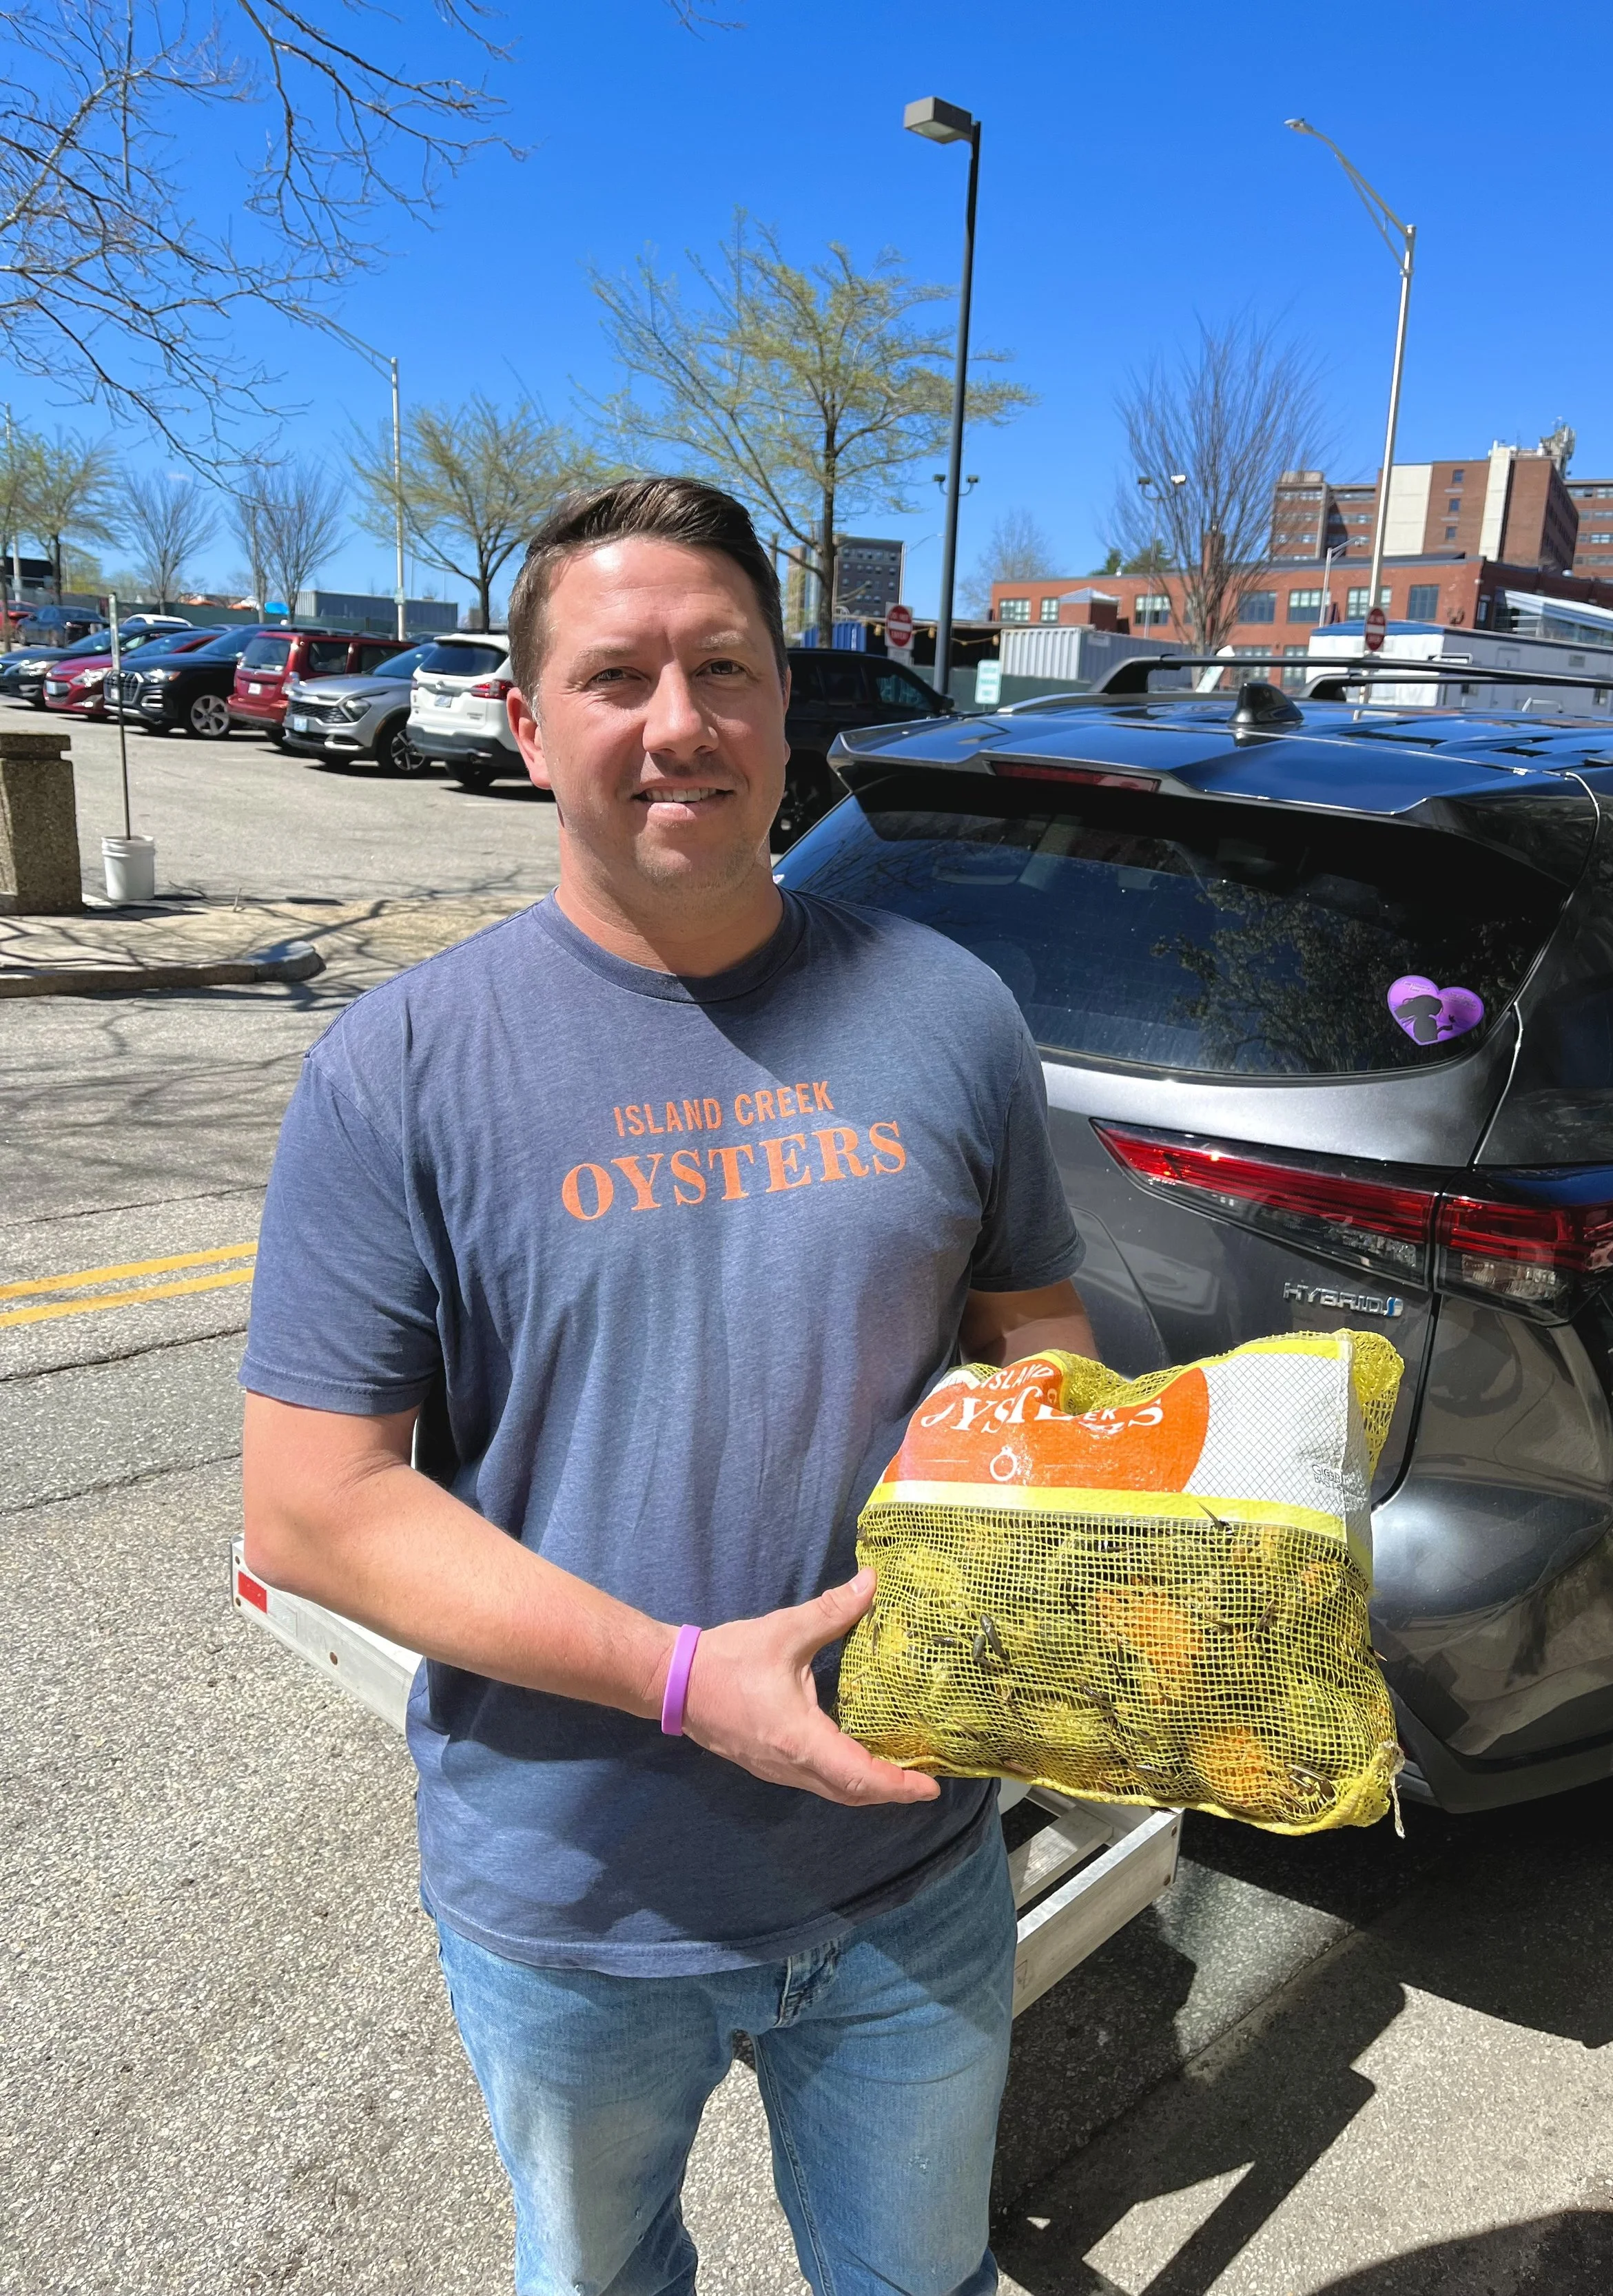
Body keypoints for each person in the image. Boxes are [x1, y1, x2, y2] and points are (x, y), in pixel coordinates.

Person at [240, 476, 1093, 2296]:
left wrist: (1055, 1494)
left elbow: (1039, 1332)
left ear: (789, 707)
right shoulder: (400, 1068)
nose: (678, 723)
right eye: (617, 677)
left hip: (912, 1845)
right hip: (571, 1891)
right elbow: (313, 1506)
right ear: (526, 721)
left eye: (725, 669)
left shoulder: (949, 1013)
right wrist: (687, 1680)